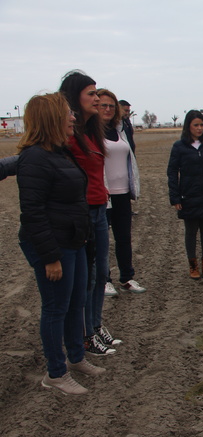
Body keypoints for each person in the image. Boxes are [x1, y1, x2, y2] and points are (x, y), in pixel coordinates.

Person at [17, 92, 106, 395]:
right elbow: (33, 214)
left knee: (76, 302)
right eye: (68, 113)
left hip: (73, 240)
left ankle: (77, 358)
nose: (72, 118)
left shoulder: (57, 152)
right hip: (54, 245)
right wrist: (50, 257)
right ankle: (56, 372)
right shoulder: (35, 158)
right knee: (56, 308)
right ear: (52, 118)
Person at [59, 70, 117, 355]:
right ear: (74, 97)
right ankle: (84, 335)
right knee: (88, 278)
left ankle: (95, 326)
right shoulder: (68, 134)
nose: (97, 98)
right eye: (91, 94)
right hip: (81, 213)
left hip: (99, 209)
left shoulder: (93, 130)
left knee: (101, 275)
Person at [167, 110, 203, 280]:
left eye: (201, 125)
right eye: (196, 125)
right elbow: (172, 173)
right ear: (188, 127)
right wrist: (175, 197)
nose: (199, 128)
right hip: (189, 195)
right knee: (191, 231)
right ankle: (193, 266)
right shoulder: (179, 147)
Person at [97, 88, 145, 297]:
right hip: (102, 194)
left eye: (111, 106)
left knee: (123, 237)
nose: (107, 109)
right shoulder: (90, 133)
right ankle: (104, 280)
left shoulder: (120, 130)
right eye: (103, 105)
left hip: (122, 192)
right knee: (102, 239)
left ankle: (126, 278)